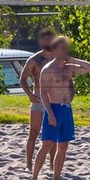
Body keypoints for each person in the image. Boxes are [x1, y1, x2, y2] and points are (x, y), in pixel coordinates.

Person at [30, 36, 90, 180]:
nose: (64, 51)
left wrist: (72, 59)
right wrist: (51, 114)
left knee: (63, 146)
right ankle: (34, 178)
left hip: (66, 109)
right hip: (53, 108)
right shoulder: (48, 70)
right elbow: (43, 94)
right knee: (47, 144)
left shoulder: (69, 67)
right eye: (62, 48)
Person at [20, 26, 58, 171]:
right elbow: (23, 79)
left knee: (53, 136)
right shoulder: (34, 59)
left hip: (54, 99)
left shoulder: (59, 58)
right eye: (45, 39)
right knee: (34, 133)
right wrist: (30, 95)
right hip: (38, 97)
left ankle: (52, 166)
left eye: (50, 39)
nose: (48, 42)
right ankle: (29, 164)